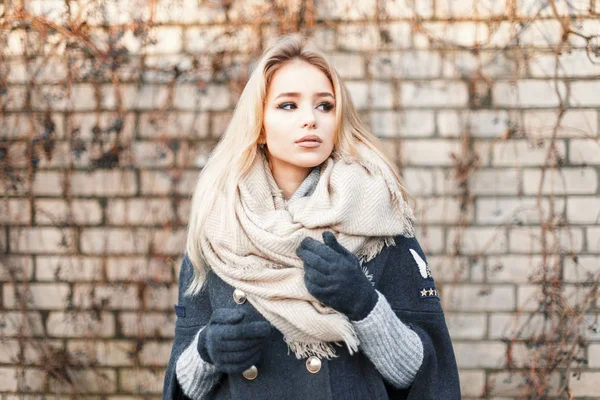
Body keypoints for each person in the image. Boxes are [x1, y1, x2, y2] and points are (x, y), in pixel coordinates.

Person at [162, 34, 461, 399]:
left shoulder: (379, 218)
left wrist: (365, 305)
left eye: (324, 106)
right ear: (259, 125)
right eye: (288, 106)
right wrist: (206, 352)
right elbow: (183, 383)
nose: (310, 120)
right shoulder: (218, 224)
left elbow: (424, 374)